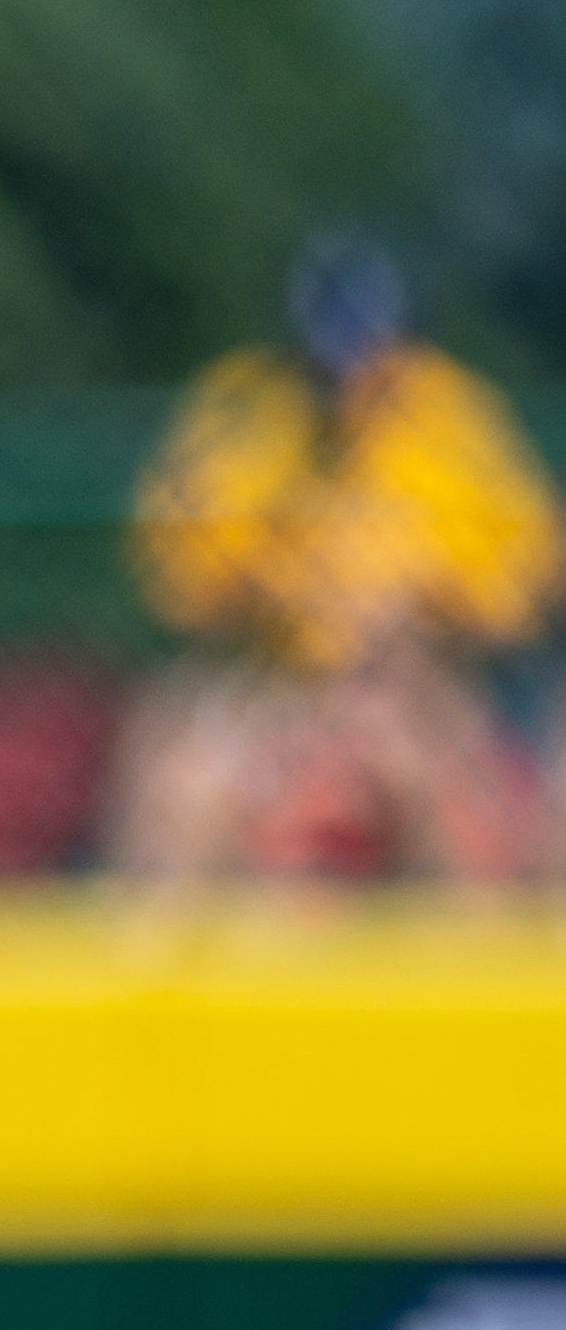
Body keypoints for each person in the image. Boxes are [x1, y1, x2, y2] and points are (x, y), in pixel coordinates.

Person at [113, 233, 558, 885]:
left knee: (467, 813)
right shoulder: (244, 408)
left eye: (368, 352)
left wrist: (421, 597)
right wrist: (276, 585)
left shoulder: (453, 417)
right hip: (268, 680)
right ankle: (150, 983)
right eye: (327, 359)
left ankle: (467, 981)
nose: (348, 379)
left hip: (413, 690)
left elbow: (519, 592)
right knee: (177, 785)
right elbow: (177, 588)